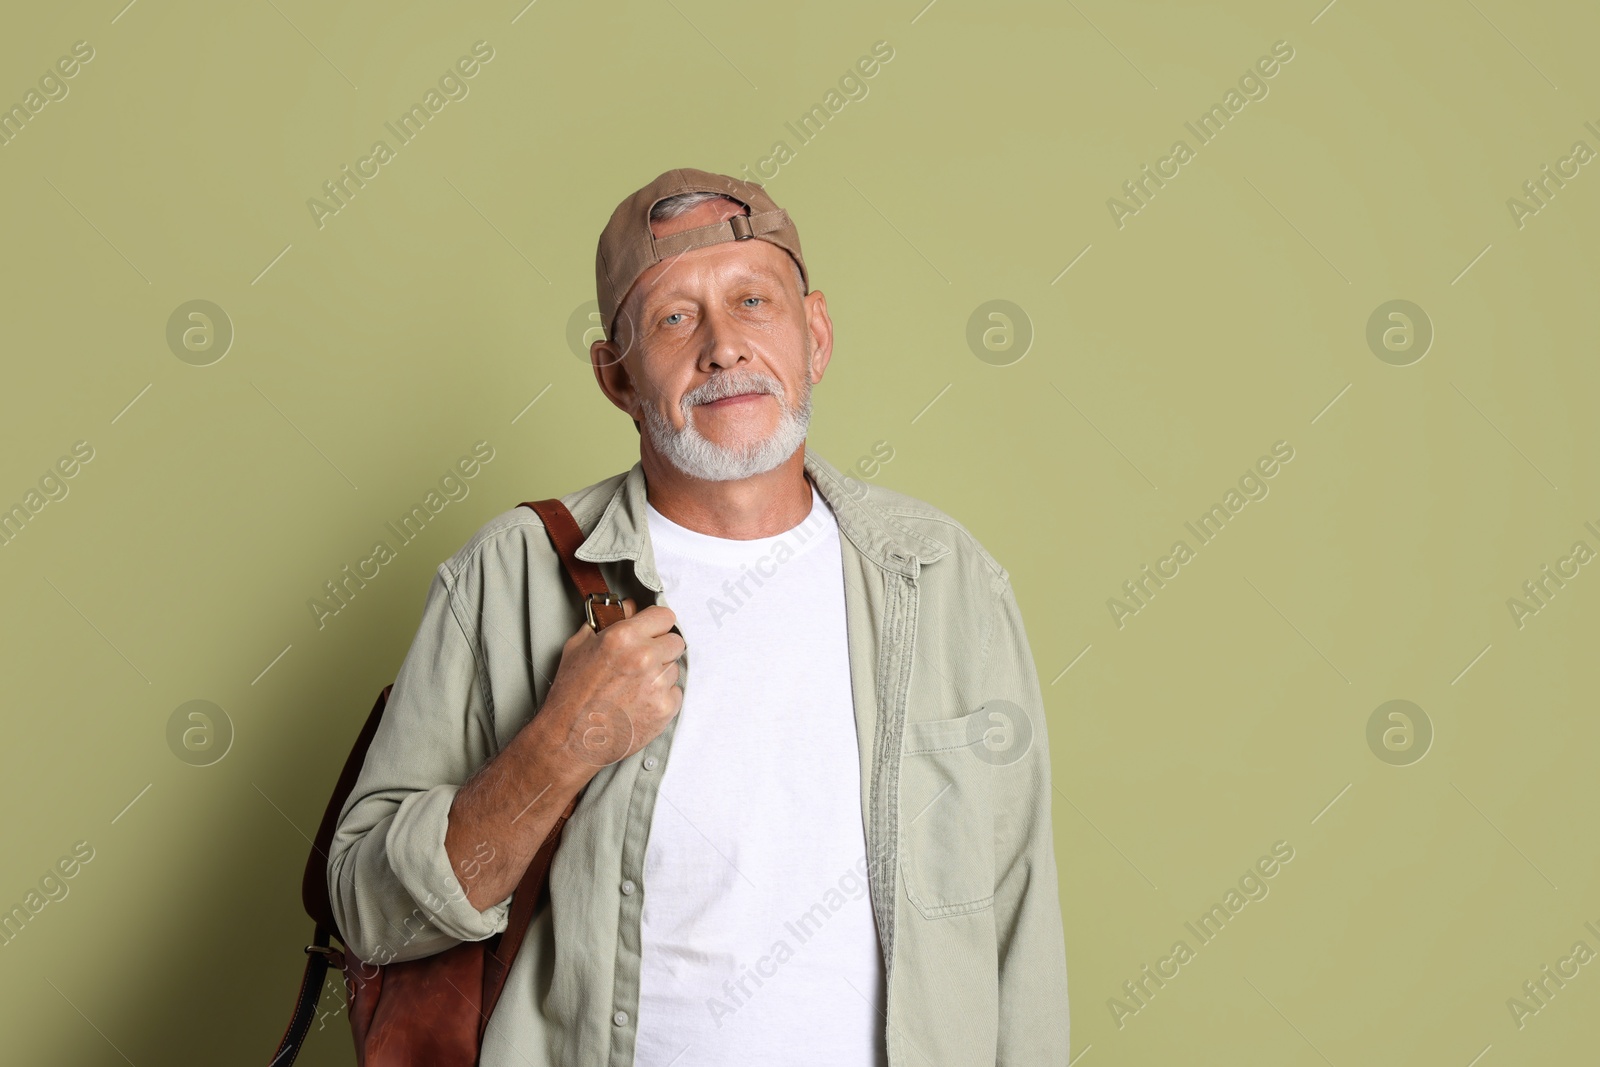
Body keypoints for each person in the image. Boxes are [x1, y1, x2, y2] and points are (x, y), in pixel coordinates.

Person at [327, 167, 1070, 1066]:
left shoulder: (945, 578)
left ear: (817, 334)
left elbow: (1018, 912)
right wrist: (558, 745)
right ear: (617, 376)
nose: (724, 347)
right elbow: (372, 915)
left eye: (754, 300)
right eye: (675, 318)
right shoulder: (508, 576)